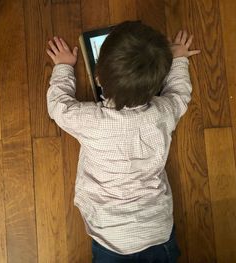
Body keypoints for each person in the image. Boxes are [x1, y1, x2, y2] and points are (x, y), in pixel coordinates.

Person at [46, 21, 200, 263]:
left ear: (98, 78)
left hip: (111, 238)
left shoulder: (90, 120)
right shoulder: (163, 112)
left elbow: (59, 107)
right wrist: (179, 59)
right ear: (157, 84)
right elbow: (180, 94)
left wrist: (64, 67)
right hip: (157, 232)